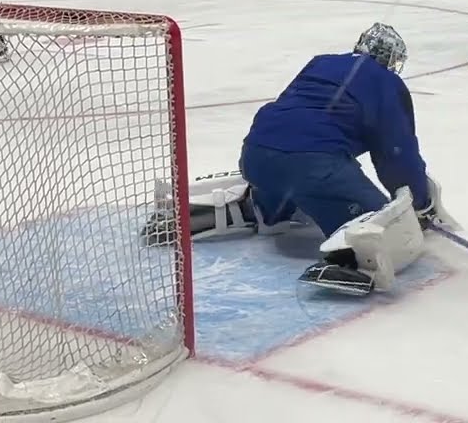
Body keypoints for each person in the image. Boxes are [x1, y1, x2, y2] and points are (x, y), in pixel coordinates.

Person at [143, 23, 449, 296]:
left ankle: (253, 208)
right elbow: (396, 154)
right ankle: (348, 262)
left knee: (290, 181)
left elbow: (298, 115)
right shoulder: (387, 82)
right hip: (313, 167)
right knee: (380, 226)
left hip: (256, 155)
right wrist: (419, 204)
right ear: (391, 60)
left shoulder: (322, 63)